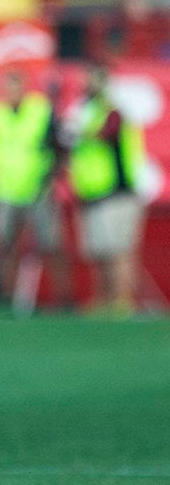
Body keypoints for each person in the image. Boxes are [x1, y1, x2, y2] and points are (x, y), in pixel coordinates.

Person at [0, 69, 73, 309]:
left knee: (51, 244)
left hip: (39, 188)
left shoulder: (41, 111)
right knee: (4, 245)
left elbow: (62, 144)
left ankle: (64, 298)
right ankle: (7, 295)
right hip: (4, 189)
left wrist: (54, 173)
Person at [66, 64, 146, 316]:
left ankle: (122, 300)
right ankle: (104, 300)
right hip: (91, 194)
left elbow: (106, 133)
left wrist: (79, 130)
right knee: (99, 251)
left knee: (118, 250)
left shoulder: (113, 112)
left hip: (117, 192)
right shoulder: (84, 113)